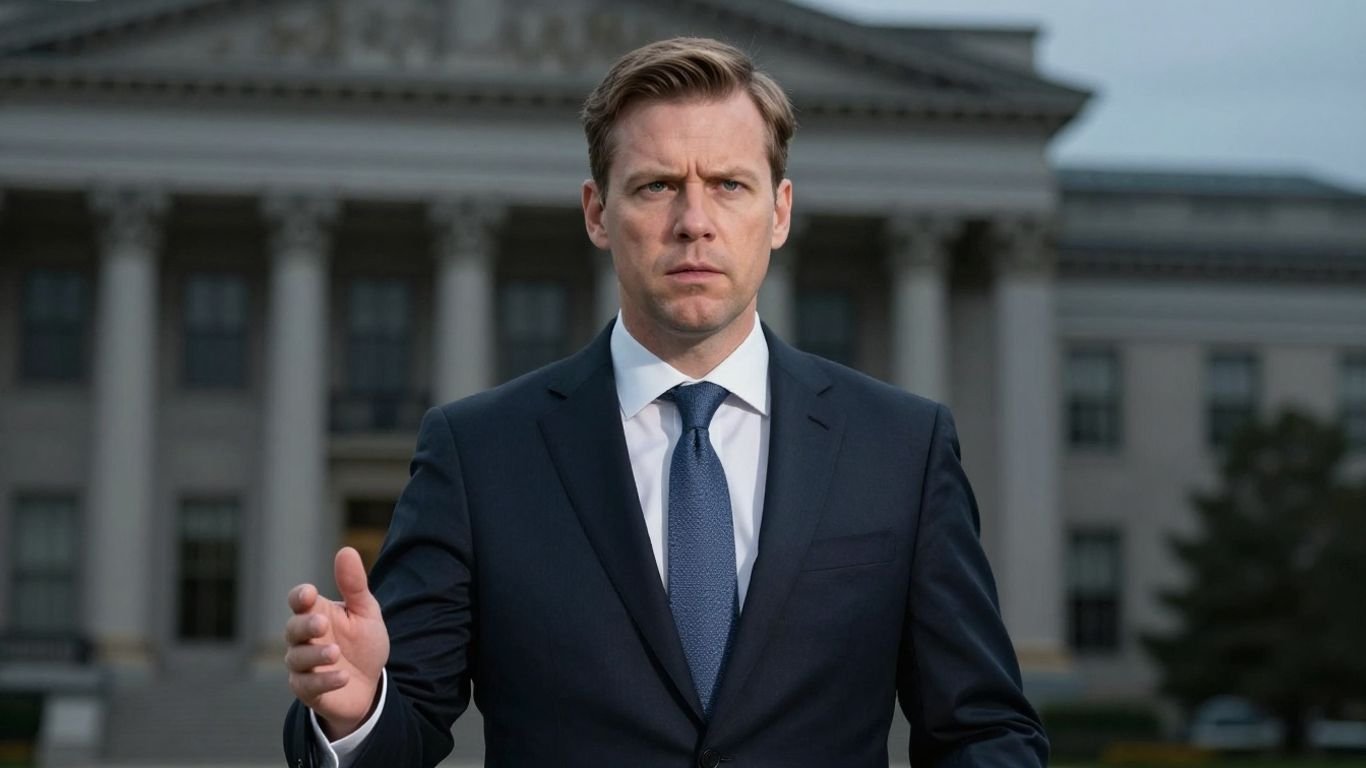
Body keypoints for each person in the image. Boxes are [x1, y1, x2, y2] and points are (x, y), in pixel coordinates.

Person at [283, 36, 1046, 768]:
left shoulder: (900, 450)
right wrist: (356, 713)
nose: (694, 222)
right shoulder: (479, 454)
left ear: (778, 212)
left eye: (728, 184)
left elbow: (981, 729)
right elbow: (405, 726)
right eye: (656, 186)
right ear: (596, 212)